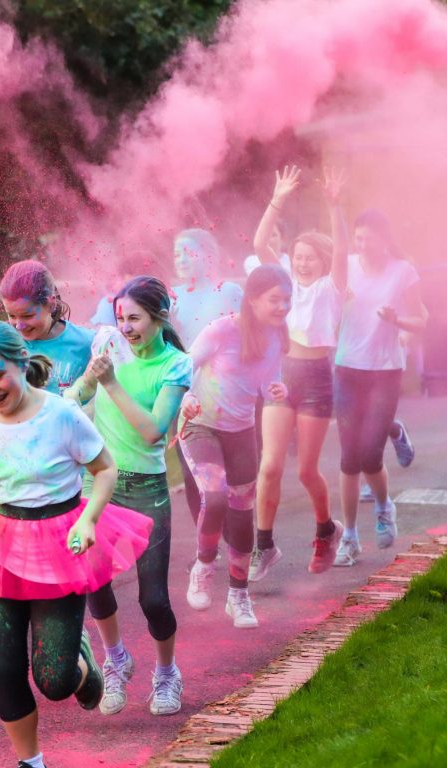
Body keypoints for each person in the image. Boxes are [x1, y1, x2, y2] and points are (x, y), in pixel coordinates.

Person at [0, 321, 151, 768]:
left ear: (22, 363)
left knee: (54, 680)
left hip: (61, 544)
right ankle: (30, 762)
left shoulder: (61, 414)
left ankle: (82, 664)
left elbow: (105, 469)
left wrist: (90, 519)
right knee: (4, 665)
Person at [66, 276, 191, 717]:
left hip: (147, 489)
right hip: (99, 485)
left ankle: (166, 673)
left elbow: (154, 430)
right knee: (92, 584)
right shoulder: (109, 348)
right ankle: (116, 661)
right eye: (120, 318)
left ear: (160, 317)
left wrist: (112, 383)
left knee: (153, 598)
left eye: (134, 318)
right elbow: (75, 396)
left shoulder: (175, 365)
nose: (126, 327)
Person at [249, 166, 348, 580]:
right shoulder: (286, 281)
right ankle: (264, 545)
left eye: (311, 259)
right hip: (282, 375)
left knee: (307, 469)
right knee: (269, 465)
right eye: (299, 257)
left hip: (318, 378)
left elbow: (342, 252)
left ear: (322, 262)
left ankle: (327, 530)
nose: (303, 264)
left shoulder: (332, 288)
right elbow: (259, 243)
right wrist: (278, 198)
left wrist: (333, 205)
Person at [181, 265, 290, 628]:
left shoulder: (276, 336)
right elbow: (183, 367)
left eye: (287, 300)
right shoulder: (223, 329)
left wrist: (276, 388)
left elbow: (267, 379)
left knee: (243, 511)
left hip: (242, 430)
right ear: (253, 299)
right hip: (200, 426)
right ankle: (203, 566)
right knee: (214, 496)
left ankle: (238, 596)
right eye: (276, 300)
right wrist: (184, 399)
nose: (282, 307)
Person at [333, 209, 427, 566]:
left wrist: (396, 319)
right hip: (347, 369)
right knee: (348, 459)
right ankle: (351, 537)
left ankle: (385, 507)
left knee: (371, 455)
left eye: (368, 238)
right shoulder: (347, 266)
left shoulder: (404, 272)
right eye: (358, 238)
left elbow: (420, 320)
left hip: (385, 372)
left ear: (385, 239)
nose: (362, 245)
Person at [169, 228, 243, 534]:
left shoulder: (228, 292)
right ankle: (207, 548)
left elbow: (247, 339)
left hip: (228, 399)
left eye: (189, 252)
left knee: (235, 480)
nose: (182, 259)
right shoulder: (170, 296)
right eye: (177, 254)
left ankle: (240, 539)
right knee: (193, 477)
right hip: (186, 398)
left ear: (209, 255)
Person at [0, 260, 94, 395]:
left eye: (27, 316)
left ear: (51, 304)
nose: (19, 326)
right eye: (12, 315)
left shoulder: (88, 343)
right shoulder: (2, 344)